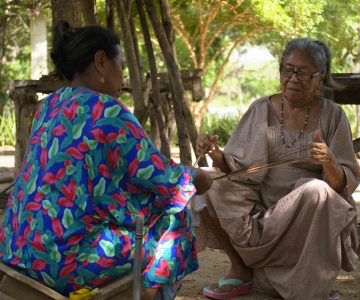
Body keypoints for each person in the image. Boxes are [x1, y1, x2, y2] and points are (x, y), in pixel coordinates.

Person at [0, 21, 212, 299]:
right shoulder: (109, 112)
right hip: (65, 262)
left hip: (17, 249)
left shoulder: (47, 107)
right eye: (121, 67)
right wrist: (199, 177)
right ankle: (149, 295)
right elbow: (167, 181)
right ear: (101, 62)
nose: (122, 78)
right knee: (178, 216)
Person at [195, 38, 360, 300]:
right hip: (261, 211)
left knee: (317, 190)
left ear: (321, 77)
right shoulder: (261, 109)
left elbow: (343, 184)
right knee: (206, 182)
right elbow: (238, 168)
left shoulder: (333, 115)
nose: (293, 78)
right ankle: (241, 269)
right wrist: (216, 155)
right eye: (288, 69)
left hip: (306, 215)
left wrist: (328, 161)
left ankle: (311, 284)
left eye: (304, 73)